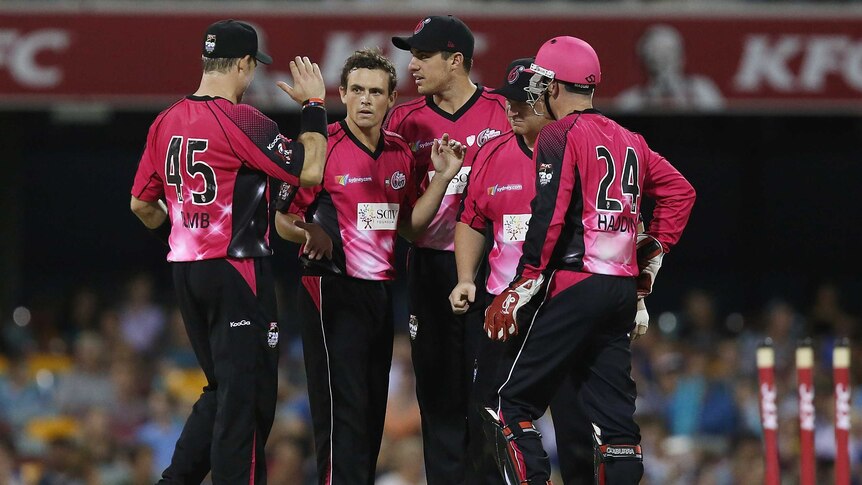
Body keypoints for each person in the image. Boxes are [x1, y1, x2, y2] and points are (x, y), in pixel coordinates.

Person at [482, 36, 696, 484]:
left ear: (554, 86)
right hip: (620, 291)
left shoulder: (558, 135)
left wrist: (521, 284)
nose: (537, 93)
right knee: (616, 426)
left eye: (541, 83)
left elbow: (550, 214)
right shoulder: (630, 138)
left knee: (508, 406)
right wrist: (651, 253)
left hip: (574, 283)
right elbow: (680, 192)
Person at [129, 19, 328, 484]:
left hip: (188, 272)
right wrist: (315, 106)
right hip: (237, 269)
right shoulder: (239, 118)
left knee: (223, 389)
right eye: (251, 68)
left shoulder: (166, 120)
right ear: (242, 64)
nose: (251, 76)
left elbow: (141, 204)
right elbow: (312, 168)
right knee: (247, 399)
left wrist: (184, 239)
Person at [273, 48, 465, 485]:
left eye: (375, 91)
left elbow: (412, 228)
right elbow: (282, 219)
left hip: (378, 294)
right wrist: (309, 233)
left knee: (371, 411)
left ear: (391, 99)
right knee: (341, 411)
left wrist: (442, 178)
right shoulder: (323, 148)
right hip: (330, 288)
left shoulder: (400, 153)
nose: (364, 99)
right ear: (341, 94)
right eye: (356, 89)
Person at [449, 57, 596, 484]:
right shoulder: (492, 153)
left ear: (549, 99)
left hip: (564, 311)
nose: (512, 109)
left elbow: (620, 219)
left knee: (576, 429)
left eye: (524, 101)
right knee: (490, 426)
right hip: (505, 315)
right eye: (509, 100)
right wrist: (463, 276)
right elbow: (473, 218)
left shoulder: (581, 148)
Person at [386, 15, 511, 483]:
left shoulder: (504, 112)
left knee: (490, 398)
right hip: (431, 270)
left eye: (422, 55)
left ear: (455, 59)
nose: (411, 64)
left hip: (492, 273)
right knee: (437, 398)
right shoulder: (404, 119)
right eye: (411, 54)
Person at [616, 24, 724, 112]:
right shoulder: (631, 101)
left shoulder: (703, 91)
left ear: (682, 58)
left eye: (670, 53)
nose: (665, 62)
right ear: (645, 61)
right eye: (658, 55)